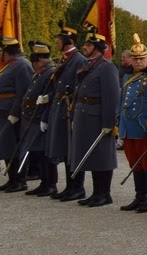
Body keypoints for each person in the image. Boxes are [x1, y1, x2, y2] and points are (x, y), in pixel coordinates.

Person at [70, 33, 121, 207]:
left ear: (96, 48)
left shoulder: (107, 67)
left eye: (88, 45)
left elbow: (112, 96)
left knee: (102, 155)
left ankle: (104, 193)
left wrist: (109, 123)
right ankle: (95, 192)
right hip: (85, 115)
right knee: (89, 154)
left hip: (98, 116)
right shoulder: (88, 65)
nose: (84, 47)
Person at [116, 35, 147, 211]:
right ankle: (139, 196)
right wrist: (120, 125)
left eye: (141, 58)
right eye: (135, 59)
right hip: (129, 126)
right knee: (134, 162)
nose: (138, 62)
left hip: (145, 127)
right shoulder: (128, 77)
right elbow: (123, 103)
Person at [43, 23, 87, 202]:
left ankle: (77, 187)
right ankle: (69, 186)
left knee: (72, 149)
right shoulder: (65, 58)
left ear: (68, 41)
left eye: (59, 40)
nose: (56, 42)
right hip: (60, 105)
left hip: (69, 107)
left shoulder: (78, 59)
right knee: (64, 147)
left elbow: (79, 86)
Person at [15, 43, 55, 196]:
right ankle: (44, 182)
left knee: (45, 152)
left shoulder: (49, 72)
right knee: (37, 151)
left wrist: (43, 114)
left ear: (40, 60)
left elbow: (50, 95)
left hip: (40, 116)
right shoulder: (41, 72)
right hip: (33, 115)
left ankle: (50, 183)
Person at [0, 37, 33, 192]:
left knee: (16, 147)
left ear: (8, 51)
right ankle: (12, 178)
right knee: (7, 146)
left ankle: (20, 179)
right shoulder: (11, 65)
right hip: (4, 111)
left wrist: (15, 112)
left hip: (12, 112)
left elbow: (22, 92)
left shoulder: (22, 65)